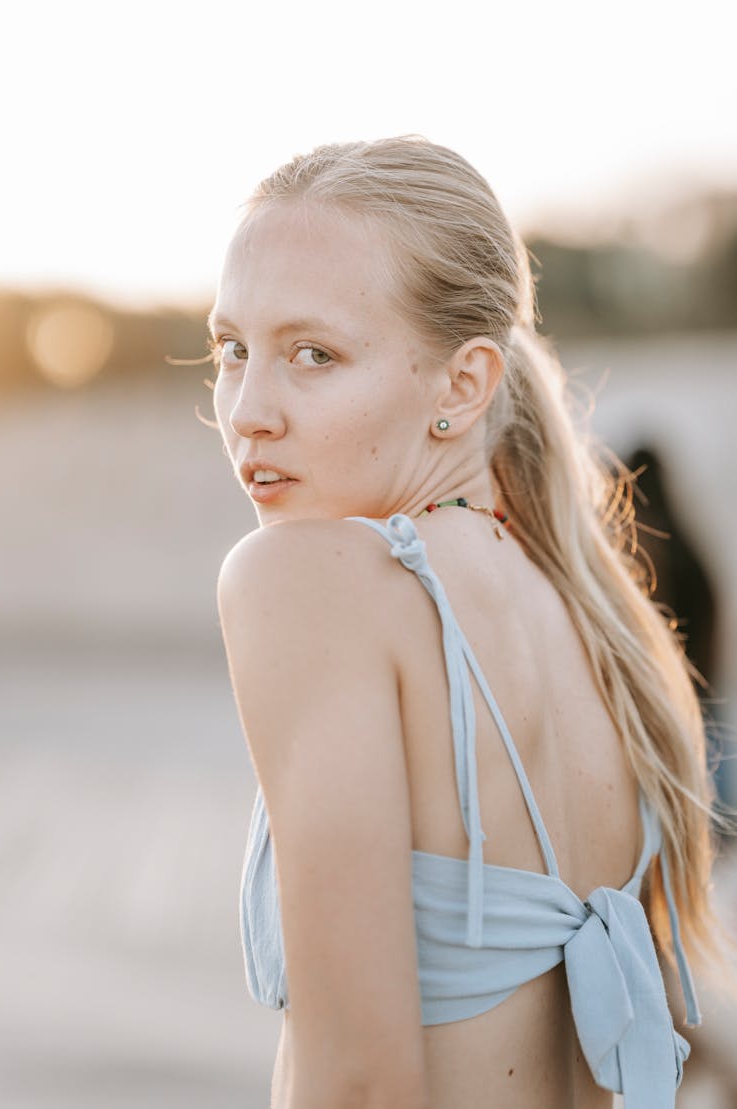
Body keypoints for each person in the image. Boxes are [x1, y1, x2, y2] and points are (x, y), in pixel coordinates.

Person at [210, 136, 719, 1109]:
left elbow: (359, 1081)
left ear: (462, 384)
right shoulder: (584, 610)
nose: (249, 411)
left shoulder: (307, 581)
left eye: (312, 354)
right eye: (234, 349)